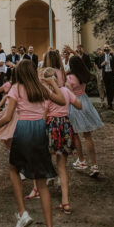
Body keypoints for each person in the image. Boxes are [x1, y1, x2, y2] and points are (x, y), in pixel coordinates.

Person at [0, 59, 61, 227]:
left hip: (24, 128)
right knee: (41, 181)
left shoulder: (16, 89)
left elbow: (8, 116)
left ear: (18, 73)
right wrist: (52, 83)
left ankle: (22, 212)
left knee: (13, 168)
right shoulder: (40, 88)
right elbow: (62, 100)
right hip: (39, 130)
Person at [42, 67, 82, 213]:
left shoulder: (48, 93)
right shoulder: (65, 91)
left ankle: (41, 190)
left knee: (45, 157)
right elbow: (79, 105)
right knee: (62, 166)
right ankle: (66, 202)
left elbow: (44, 114)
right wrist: (69, 93)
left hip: (52, 126)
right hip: (65, 125)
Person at [67, 56, 104, 177]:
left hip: (75, 104)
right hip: (85, 102)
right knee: (88, 136)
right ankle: (94, 165)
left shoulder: (70, 78)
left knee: (76, 134)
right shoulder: (84, 75)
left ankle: (81, 160)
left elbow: (68, 94)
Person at [100, 44, 114, 109]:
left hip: (112, 74)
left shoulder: (112, 55)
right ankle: (109, 104)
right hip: (105, 74)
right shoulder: (102, 56)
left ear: (109, 48)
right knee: (107, 90)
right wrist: (102, 64)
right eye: (105, 47)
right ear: (104, 48)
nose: (106, 48)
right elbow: (100, 65)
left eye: (107, 47)